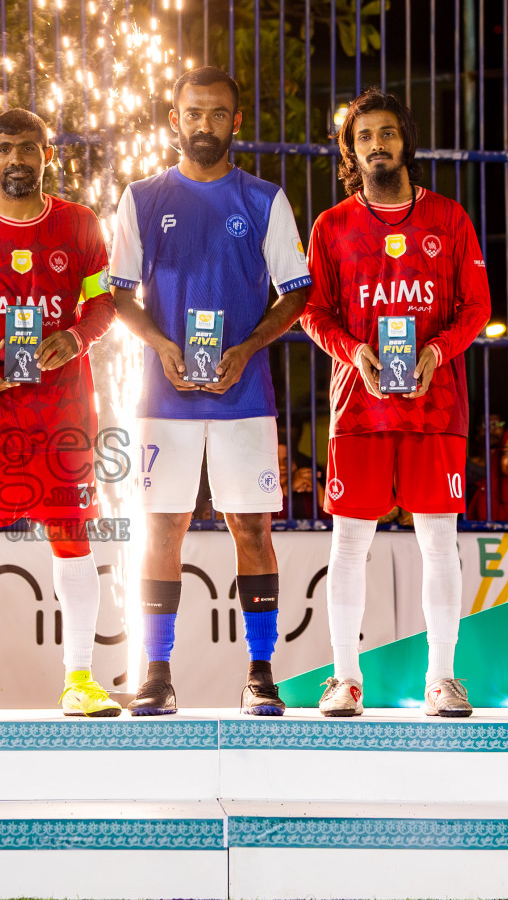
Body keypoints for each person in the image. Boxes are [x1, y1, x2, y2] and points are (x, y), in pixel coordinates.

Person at [108, 66, 311, 717]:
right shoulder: (141, 198)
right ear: (174, 120)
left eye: (217, 114)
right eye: (193, 113)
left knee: (250, 526)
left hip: (242, 394)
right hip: (162, 397)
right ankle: (156, 673)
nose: (204, 125)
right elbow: (117, 294)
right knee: (161, 527)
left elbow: (298, 292)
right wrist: (162, 346)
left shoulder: (263, 200)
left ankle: (260, 672)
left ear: (236, 121)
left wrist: (248, 347)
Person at [300, 88, 491, 719]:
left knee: (438, 541)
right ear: (351, 152)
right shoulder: (331, 226)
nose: (376, 145)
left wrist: (437, 351)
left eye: (386, 133)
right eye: (363, 138)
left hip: (436, 408)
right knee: (350, 544)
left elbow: (478, 309)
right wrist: (354, 352)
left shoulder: (449, 219)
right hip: (359, 406)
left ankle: (442, 678)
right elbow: (313, 312)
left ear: (404, 140)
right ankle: (345, 679)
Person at [0, 107, 119, 720]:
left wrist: (76, 338)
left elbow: (104, 303)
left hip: (60, 410)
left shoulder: (79, 224)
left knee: (71, 538)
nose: (18, 159)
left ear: (48, 155)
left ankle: (80, 682)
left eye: (29, 148)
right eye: (5, 147)